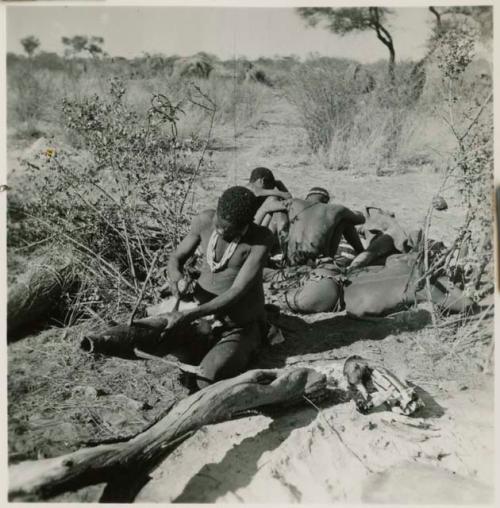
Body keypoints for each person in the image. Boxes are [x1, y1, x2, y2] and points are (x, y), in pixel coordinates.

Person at [165, 186, 274, 389]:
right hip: (201, 318)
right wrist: (177, 277)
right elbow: (176, 257)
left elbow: (237, 291)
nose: (221, 232)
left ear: (246, 226)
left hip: (238, 326)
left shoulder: (260, 240)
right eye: (219, 225)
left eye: (229, 230)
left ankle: (251, 344)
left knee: (205, 380)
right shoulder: (204, 221)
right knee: (157, 341)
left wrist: (189, 315)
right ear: (216, 212)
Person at [283, 187, 366, 266]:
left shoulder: (293, 203)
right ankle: (362, 253)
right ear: (326, 200)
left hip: (291, 261)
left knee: (281, 215)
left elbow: (270, 206)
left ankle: (280, 253)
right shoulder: (334, 209)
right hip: (318, 262)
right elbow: (361, 219)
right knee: (344, 220)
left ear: (307, 197)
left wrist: (279, 189)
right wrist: (349, 212)